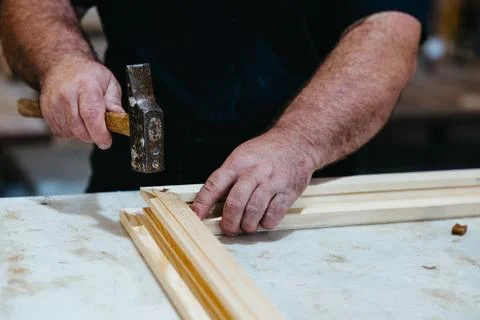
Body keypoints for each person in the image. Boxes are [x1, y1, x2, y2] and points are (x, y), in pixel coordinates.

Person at [0, 1, 428, 235]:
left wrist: (298, 143)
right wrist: (62, 61)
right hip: (132, 199)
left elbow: (388, 30)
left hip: (302, 200)